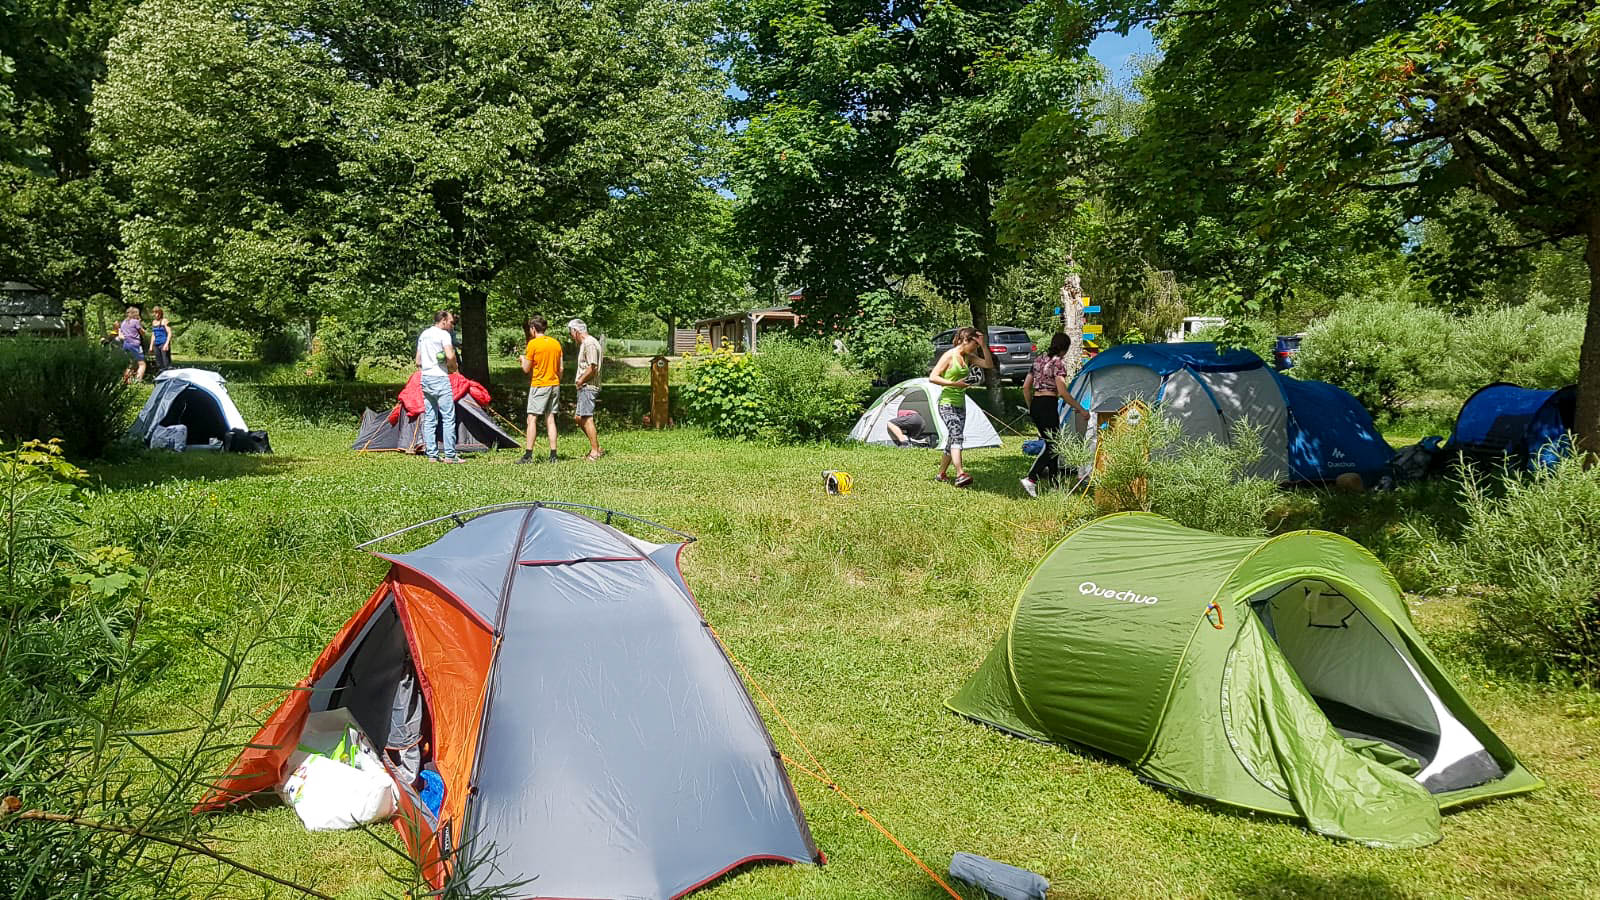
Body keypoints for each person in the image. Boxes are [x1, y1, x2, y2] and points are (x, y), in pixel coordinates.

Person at [1019, 333, 1091, 497]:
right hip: (1048, 404)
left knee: (1052, 444)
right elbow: (1063, 392)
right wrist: (1081, 409)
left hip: (1036, 404)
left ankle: (1055, 486)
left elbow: (1025, 387)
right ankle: (1031, 479)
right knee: (1053, 445)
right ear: (1065, 349)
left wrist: (1032, 408)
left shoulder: (1038, 360)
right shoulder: (1058, 364)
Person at [929, 326, 996, 487]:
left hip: (960, 404)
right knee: (957, 436)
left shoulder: (968, 357)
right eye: (973, 345)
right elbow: (933, 377)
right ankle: (960, 474)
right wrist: (954, 383)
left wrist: (983, 345)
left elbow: (988, 364)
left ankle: (941, 474)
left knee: (953, 439)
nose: (974, 349)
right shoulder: (949, 356)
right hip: (947, 404)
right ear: (964, 341)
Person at [416, 309, 462, 463]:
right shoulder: (443, 335)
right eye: (450, 322)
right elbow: (450, 355)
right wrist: (452, 367)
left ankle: (432, 455)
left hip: (426, 378)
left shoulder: (424, 334)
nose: (451, 325)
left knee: (430, 418)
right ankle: (450, 455)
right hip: (440, 378)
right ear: (443, 320)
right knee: (448, 417)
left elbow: (418, 361)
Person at [518, 315, 563, 464]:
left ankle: (528, 455)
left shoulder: (533, 344)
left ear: (533, 329)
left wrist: (522, 360)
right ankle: (553, 455)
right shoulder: (556, 343)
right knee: (550, 419)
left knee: (532, 419)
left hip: (539, 384)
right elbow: (560, 368)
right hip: (554, 384)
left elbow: (526, 369)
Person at [567, 319, 605, 461]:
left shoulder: (589, 343)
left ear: (575, 331)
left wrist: (581, 380)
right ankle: (596, 446)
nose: (571, 337)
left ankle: (595, 452)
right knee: (578, 417)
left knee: (586, 418)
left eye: (571, 333)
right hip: (585, 386)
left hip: (588, 386)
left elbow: (592, 367)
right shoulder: (588, 343)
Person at [117, 306, 147, 384]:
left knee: (130, 364)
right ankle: (138, 382)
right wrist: (140, 323)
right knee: (142, 364)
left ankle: (126, 381)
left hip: (126, 344)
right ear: (135, 314)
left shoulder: (123, 322)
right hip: (134, 345)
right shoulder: (135, 322)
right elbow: (142, 333)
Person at [150, 307, 173, 372]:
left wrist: (166, 344)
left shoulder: (165, 321)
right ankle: (161, 377)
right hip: (156, 344)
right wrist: (151, 346)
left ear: (160, 313)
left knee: (166, 362)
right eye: (154, 312)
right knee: (159, 363)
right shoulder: (154, 322)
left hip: (163, 343)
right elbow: (153, 335)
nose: (155, 314)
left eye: (156, 312)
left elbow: (169, 333)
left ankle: (168, 377)